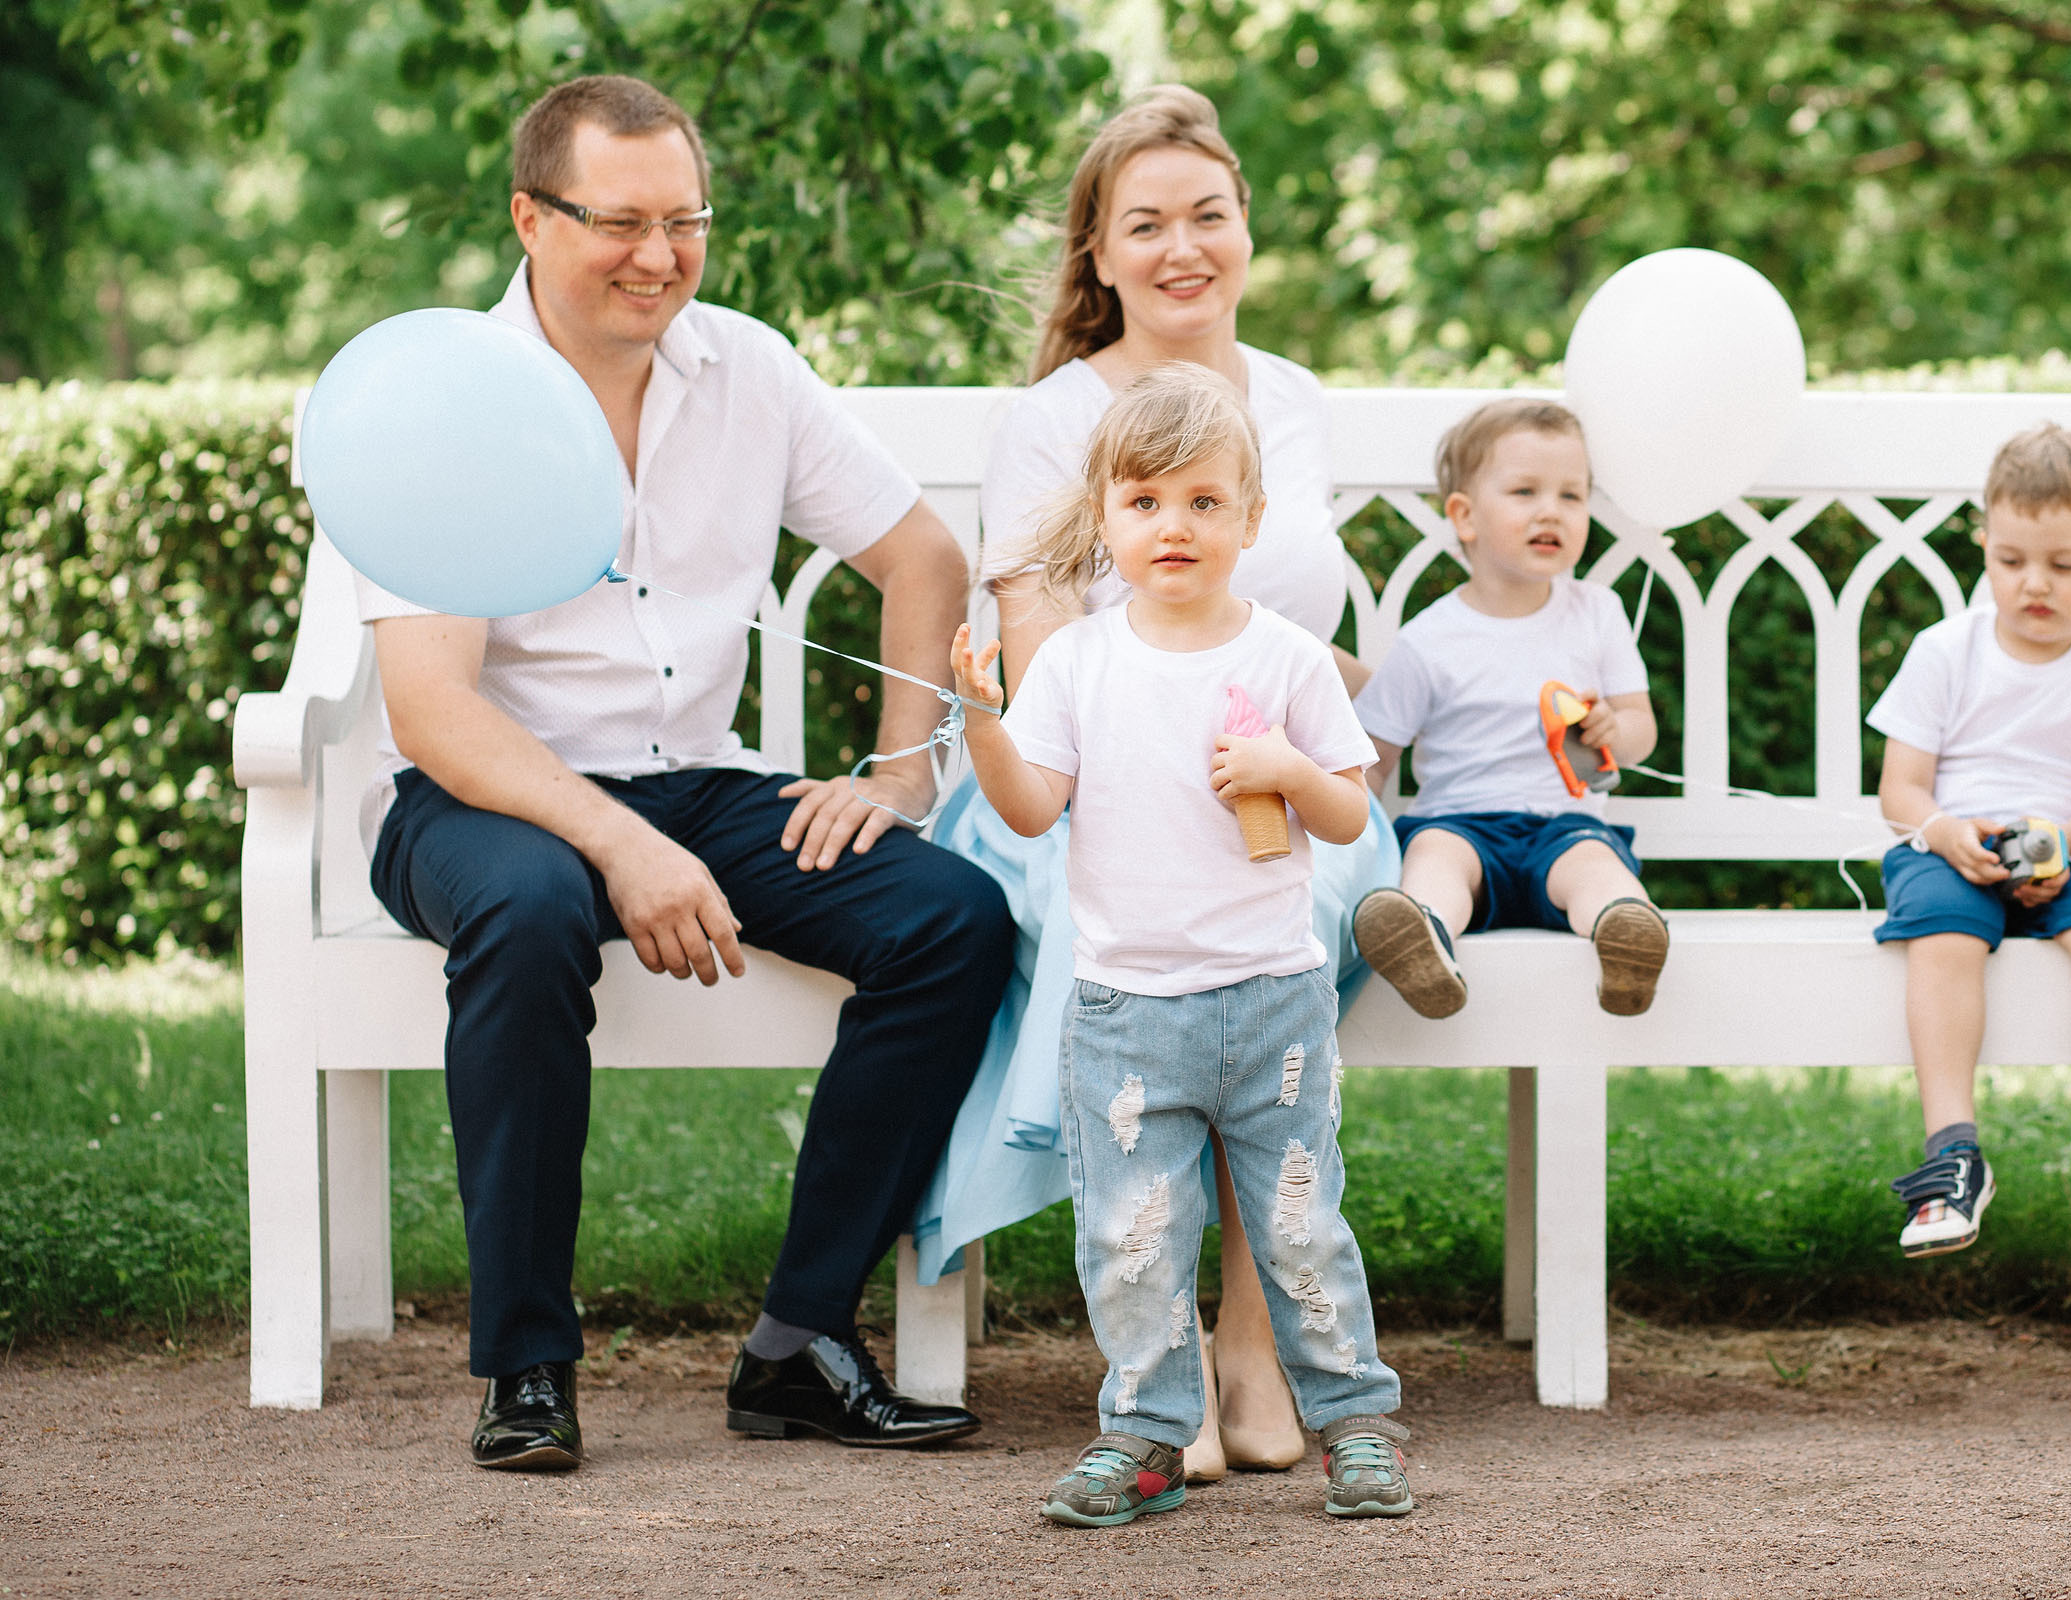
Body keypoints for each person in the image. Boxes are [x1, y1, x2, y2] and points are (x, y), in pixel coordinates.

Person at [359, 74, 1014, 1471]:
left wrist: (901, 777)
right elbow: (434, 711)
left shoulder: (749, 371)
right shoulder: (447, 403)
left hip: (697, 782)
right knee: (530, 911)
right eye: (621, 222)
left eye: (686, 221)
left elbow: (924, 560)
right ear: (530, 218)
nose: (658, 256)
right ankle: (526, 1367)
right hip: (483, 799)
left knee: (951, 918)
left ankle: (800, 1343)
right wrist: (622, 846)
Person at [916, 84, 1397, 1479]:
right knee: (1134, 919)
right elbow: (1038, 664)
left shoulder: (1292, 400)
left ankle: (1252, 1339)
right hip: (1083, 772)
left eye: (1208, 214)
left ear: (1246, 226)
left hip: (1272, 777)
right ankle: (1160, 1352)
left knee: (1308, 903)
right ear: (1100, 251)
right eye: (1146, 224)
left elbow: (1288, 625)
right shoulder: (1054, 417)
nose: (1183, 247)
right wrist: (1156, 751)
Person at [1869, 422, 2071, 1260]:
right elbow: (1901, 791)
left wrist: (2060, 842)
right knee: (1942, 936)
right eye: (2010, 560)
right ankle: (1952, 1155)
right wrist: (1946, 832)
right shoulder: (1945, 652)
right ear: (1985, 548)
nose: (2033, 583)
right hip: (1951, 851)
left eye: (2063, 565)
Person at [1348, 399, 1671, 1019]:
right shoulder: (1430, 638)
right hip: (1459, 823)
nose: (1552, 510)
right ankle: (1423, 939)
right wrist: (1349, 838)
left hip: (1565, 826)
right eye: (1525, 491)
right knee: (1434, 858)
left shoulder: (1596, 614)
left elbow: (1641, 728)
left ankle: (1625, 934)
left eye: (1572, 495)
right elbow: (1374, 758)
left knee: (1596, 865)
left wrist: (1615, 730)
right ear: (1465, 516)